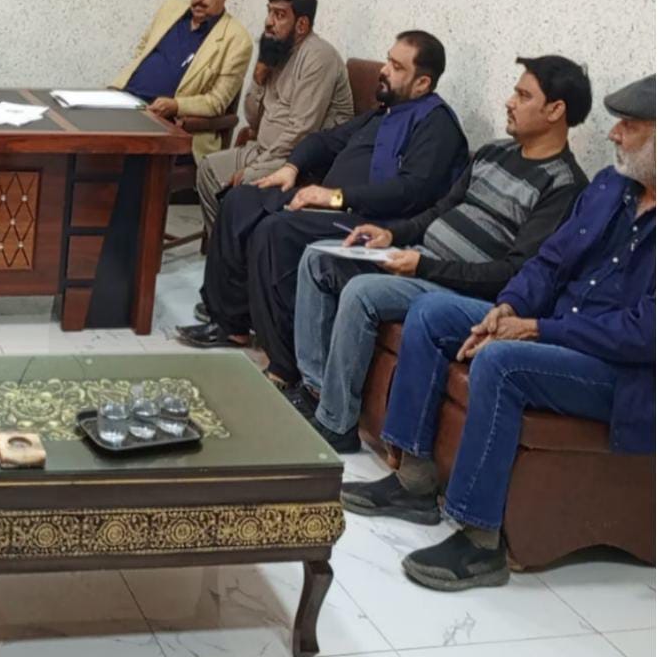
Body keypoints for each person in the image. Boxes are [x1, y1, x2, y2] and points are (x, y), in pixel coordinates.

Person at [341, 74, 655, 590]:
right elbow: (549, 262)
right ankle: (414, 481)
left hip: (624, 374)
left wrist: (538, 329)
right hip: (557, 330)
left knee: (501, 362)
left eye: (631, 125)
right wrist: (508, 307)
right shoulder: (610, 187)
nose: (613, 133)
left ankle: (480, 540)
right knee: (433, 313)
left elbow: (645, 334)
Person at [294, 56, 591, 452]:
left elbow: (513, 272)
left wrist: (424, 266)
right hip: (418, 259)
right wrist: (391, 233)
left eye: (523, 96)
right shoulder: (493, 153)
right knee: (319, 260)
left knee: (362, 293)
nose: (509, 102)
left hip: (459, 289)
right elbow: (440, 211)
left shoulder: (564, 186)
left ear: (556, 111)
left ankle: (336, 425)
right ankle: (316, 392)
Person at [180, 30, 469, 388]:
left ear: (423, 83)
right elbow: (326, 140)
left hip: (372, 225)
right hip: (332, 204)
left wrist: (333, 197)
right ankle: (230, 324)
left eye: (397, 67)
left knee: (276, 231)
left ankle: (285, 366)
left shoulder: (437, 126)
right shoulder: (385, 113)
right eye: (388, 60)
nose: (384, 70)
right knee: (240, 199)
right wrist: (292, 167)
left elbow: (410, 193)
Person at [194, 0, 354, 236]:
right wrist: (258, 80)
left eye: (279, 15)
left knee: (244, 184)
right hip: (264, 150)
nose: (269, 22)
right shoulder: (277, 50)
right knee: (208, 169)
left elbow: (303, 130)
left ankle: (235, 250)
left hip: (299, 161)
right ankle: (223, 248)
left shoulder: (318, 57)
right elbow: (253, 120)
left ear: (302, 24)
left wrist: (253, 168)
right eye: (269, 12)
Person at [112, 0, 253, 160]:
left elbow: (216, 102)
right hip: (127, 102)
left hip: (169, 124)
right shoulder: (171, 8)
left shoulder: (237, 39)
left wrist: (176, 105)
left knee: (119, 152)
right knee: (81, 131)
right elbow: (143, 49)